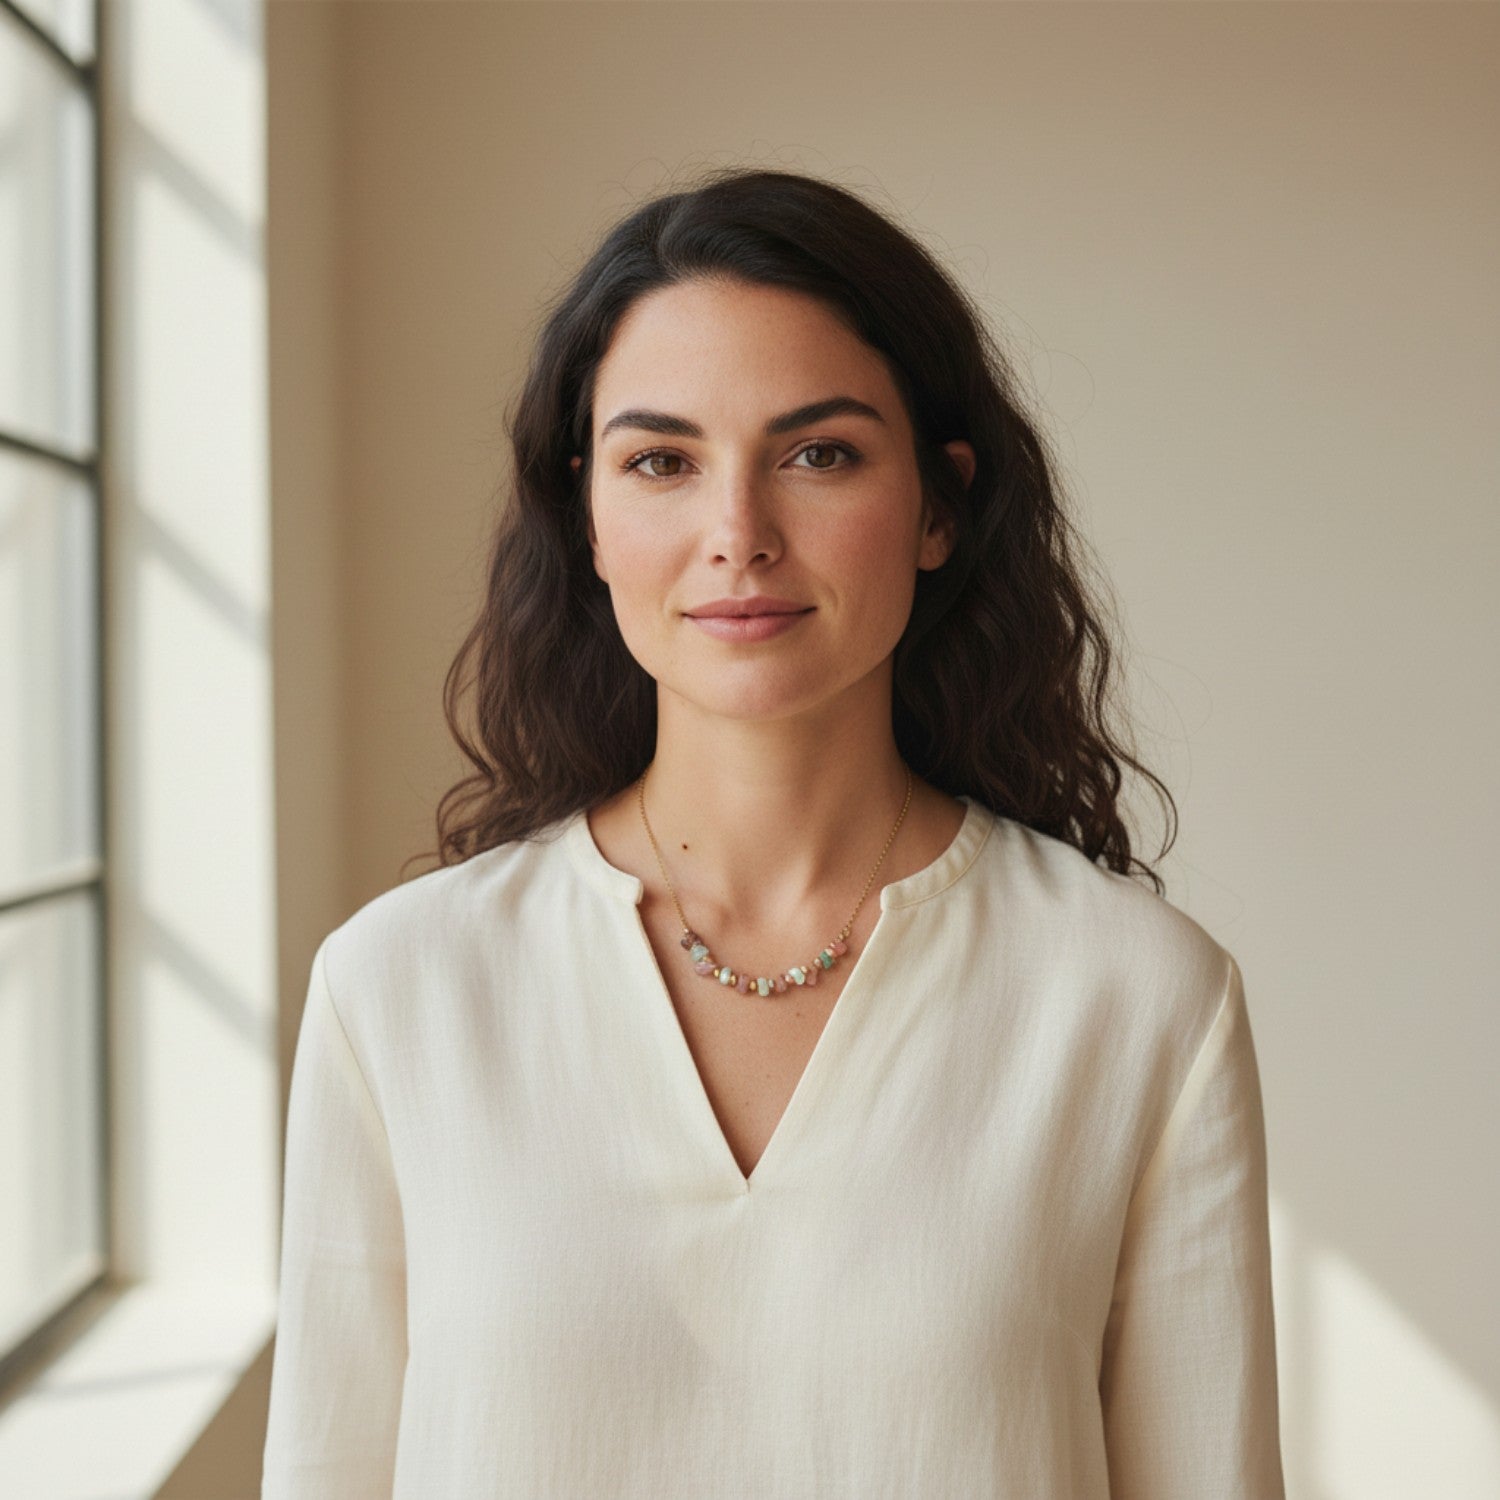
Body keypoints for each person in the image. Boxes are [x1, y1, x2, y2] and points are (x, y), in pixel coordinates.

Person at [261, 167, 1285, 1498]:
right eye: (662, 461)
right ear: (588, 515)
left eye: (819, 454)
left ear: (938, 507)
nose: (737, 534)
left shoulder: (1140, 999)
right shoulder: (398, 989)